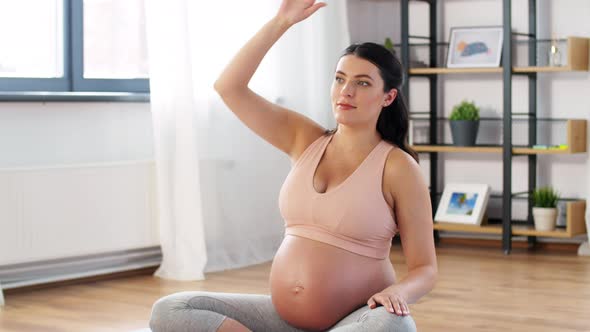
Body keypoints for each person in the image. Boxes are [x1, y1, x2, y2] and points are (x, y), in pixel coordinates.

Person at [149, 0, 437, 331]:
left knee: (393, 326)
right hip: (282, 319)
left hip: (355, 320)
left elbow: (424, 269)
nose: (346, 91)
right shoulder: (304, 138)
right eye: (340, 78)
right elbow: (228, 87)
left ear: (387, 97)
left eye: (362, 82)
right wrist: (280, 23)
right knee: (173, 309)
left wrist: (396, 293)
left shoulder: (397, 166)